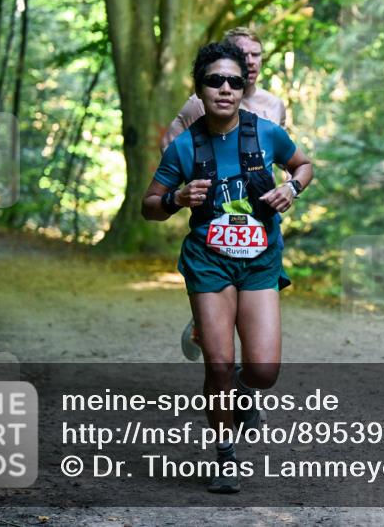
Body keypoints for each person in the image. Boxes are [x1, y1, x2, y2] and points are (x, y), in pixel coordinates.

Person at [142, 41, 313, 494]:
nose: (225, 89)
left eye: (234, 81)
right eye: (215, 80)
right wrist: (175, 199)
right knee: (218, 364)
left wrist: (292, 189)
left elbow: (304, 165)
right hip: (209, 263)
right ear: (199, 89)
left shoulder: (265, 134)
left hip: (259, 262)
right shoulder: (184, 146)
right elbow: (148, 206)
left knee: (263, 372)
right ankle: (224, 457)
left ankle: (241, 391)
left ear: (244, 89)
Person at [159, 27, 290, 362]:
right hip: (214, 225)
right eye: (241, 54)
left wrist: (288, 187)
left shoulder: (273, 105)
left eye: (256, 55)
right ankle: (209, 321)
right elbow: (171, 148)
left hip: (259, 217)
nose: (249, 61)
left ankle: (248, 383)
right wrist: (188, 186)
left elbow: (285, 155)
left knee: (260, 338)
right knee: (222, 352)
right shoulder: (197, 104)